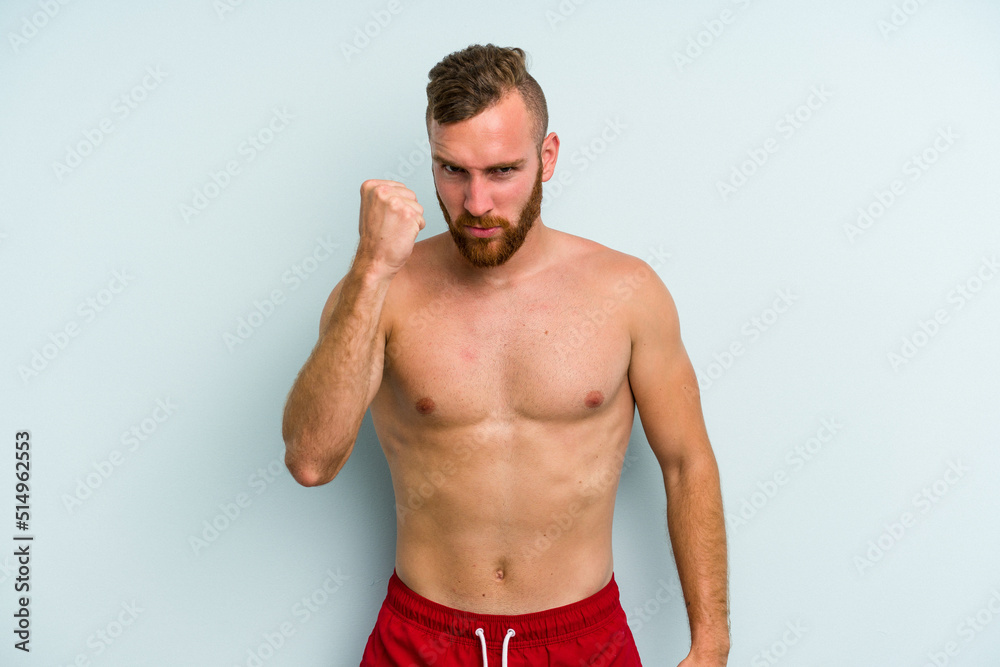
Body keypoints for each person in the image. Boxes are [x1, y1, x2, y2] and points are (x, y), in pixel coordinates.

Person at [281, 43, 730, 666]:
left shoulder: (628, 291)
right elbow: (310, 461)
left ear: (546, 159)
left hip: (582, 640)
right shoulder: (380, 290)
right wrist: (371, 265)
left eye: (501, 172)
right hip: (423, 639)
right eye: (452, 171)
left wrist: (710, 645)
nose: (476, 204)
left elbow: (687, 464)